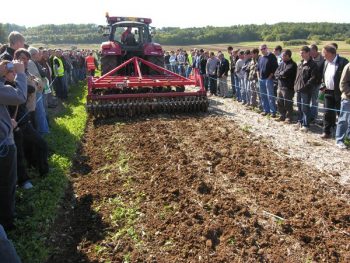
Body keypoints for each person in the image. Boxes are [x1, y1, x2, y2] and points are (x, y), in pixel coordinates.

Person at [0, 59, 27, 231]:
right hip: (3, 145)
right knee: (7, 184)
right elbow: (20, 96)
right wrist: (21, 73)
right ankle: (7, 223)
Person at [320, 44, 349, 138]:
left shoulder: (343, 62)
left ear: (329, 53)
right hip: (327, 92)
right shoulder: (326, 62)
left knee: (341, 114)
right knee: (327, 113)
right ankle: (327, 132)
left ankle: (343, 136)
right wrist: (323, 84)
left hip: (340, 93)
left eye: (324, 53)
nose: (322, 55)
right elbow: (324, 76)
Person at [294, 46, 319, 132]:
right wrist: (296, 86)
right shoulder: (300, 63)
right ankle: (299, 122)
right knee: (299, 106)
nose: (301, 55)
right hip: (298, 89)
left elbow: (313, 78)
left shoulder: (313, 64)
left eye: (302, 53)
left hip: (306, 90)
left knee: (305, 107)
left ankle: (306, 125)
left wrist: (305, 86)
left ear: (308, 53)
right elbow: (297, 76)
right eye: (300, 53)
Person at [274, 49, 297, 123]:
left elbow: (285, 73)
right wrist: (280, 75)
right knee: (279, 102)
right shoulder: (281, 63)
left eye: (284, 55)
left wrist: (281, 75)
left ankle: (289, 118)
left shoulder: (292, 64)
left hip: (288, 87)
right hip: (280, 86)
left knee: (288, 103)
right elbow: (276, 73)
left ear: (288, 56)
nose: (282, 57)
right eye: (282, 55)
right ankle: (282, 116)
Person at [257, 44, 278, 117]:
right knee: (263, 96)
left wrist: (270, 77)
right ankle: (266, 110)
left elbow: (275, 68)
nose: (262, 50)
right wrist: (258, 77)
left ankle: (273, 111)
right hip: (261, 79)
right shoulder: (260, 58)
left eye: (264, 48)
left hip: (269, 79)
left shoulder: (272, 56)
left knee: (270, 96)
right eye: (261, 49)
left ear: (267, 48)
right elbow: (258, 69)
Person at [335, 62, 350, 149]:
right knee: (343, 120)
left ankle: (348, 139)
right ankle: (339, 140)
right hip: (347, 99)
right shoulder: (348, 66)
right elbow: (343, 84)